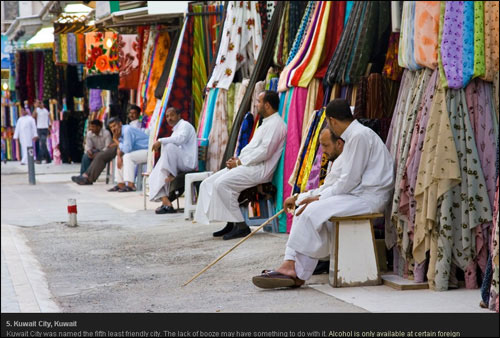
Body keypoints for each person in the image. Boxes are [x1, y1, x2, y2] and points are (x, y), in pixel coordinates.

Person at [252, 98, 394, 289]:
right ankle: (291, 266)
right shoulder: (355, 136)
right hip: (358, 194)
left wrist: (319, 198)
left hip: (369, 198)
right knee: (306, 209)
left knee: (311, 211)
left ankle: (295, 270)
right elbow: (343, 181)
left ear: (333, 121)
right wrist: (306, 197)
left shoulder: (359, 136)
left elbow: (349, 180)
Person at [194, 90, 287, 240]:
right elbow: (253, 149)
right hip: (248, 165)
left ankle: (241, 225)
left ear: (267, 105)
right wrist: (237, 160)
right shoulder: (266, 122)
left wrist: (239, 162)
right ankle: (231, 223)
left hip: (260, 170)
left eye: (258, 101)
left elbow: (265, 152)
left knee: (221, 184)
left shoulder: (277, 125)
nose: (256, 105)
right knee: (208, 183)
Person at [149, 107, 197, 214]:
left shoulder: (185, 126)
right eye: (167, 116)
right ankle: (167, 203)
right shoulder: (176, 129)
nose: (169, 118)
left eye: (172, 115)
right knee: (155, 175)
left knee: (169, 146)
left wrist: (161, 141)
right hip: (179, 162)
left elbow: (180, 140)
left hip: (187, 163)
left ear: (179, 116)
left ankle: (171, 174)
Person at [106, 116, 149, 192]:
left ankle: (130, 185)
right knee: (118, 157)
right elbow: (121, 147)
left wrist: (115, 140)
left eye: (114, 125)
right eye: (111, 127)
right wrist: (119, 156)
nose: (113, 129)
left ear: (120, 124)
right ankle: (120, 184)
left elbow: (126, 149)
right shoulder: (119, 132)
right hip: (138, 151)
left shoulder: (127, 130)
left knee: (127, 157)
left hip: (148, 151)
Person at [72, 119, 120, 185]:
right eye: (91, 127)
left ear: (99, 127)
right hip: (96, 151)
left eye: (93, 127)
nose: (91, 128)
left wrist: (98, 153)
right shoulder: (89, 134)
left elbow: (108, 147)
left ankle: (86, 178)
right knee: (86, 156)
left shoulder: (106, 133)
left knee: (99, 157)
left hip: (104, 151)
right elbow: (88, 146)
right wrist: (89, 151)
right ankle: (82, 176)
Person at [33, 99, 52, 164]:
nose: (40, 104)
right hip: (39, 128)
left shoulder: (46, 111)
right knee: (43, 144)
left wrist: (50, 126)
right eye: (39, 103)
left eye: (41, 103)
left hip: (45, 128)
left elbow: (50, 119)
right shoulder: (37, 110)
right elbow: (33, 116)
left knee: (43, 143)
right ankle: (48, 159)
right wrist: (36, 107)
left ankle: (39, 159)